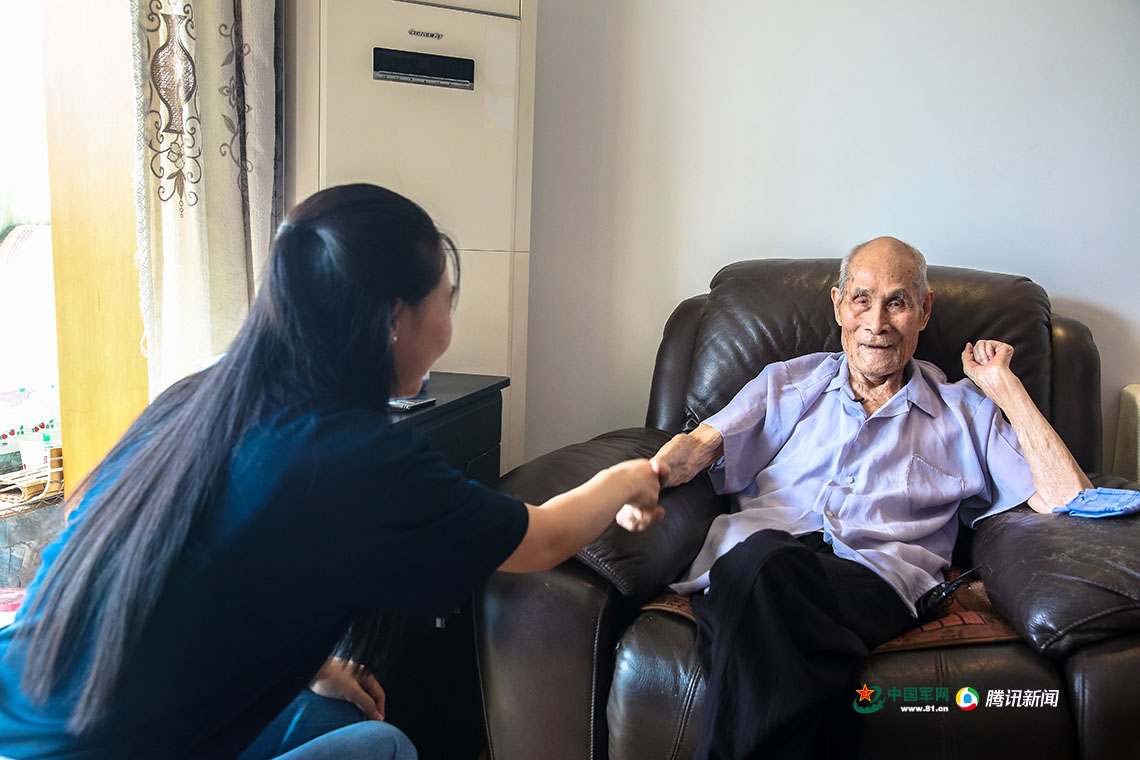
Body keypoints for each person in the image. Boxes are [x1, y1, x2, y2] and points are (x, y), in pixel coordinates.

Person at [0, 184, 666, 760]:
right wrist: (628, 477)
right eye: (446, 302)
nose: (448, 327)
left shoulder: (201, 396)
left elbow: (203, 583)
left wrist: (313, 664)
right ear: (395, 319)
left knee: (332, 712)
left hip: (26, 715)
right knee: (385, 744)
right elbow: (544, 538)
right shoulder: (355, 459)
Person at [618, 237, 1091, 759]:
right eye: (861, 299)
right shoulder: (788, 382)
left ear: (924, 310)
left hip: (869, 580)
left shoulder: (963, 412)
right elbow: (700, 446)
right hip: (753, 568)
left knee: (758, 571)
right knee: (761, 573)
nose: (877, 323)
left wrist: (1005, 388)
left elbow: (1070, 497)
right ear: (838, 304)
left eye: (897, 302)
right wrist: (645, 477)